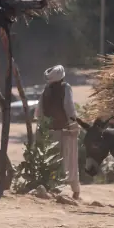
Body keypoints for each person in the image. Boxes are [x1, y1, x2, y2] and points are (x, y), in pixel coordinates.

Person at [34, 64, 80, 200]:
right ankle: (75, 190)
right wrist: (74, 126)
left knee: (53, 160)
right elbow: (69, 108)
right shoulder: (66, 88)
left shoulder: (46, 90)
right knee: (70, 160)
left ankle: (53, 187)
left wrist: (42, 129)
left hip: (50, 132)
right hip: (65, 131)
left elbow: (39, 111)